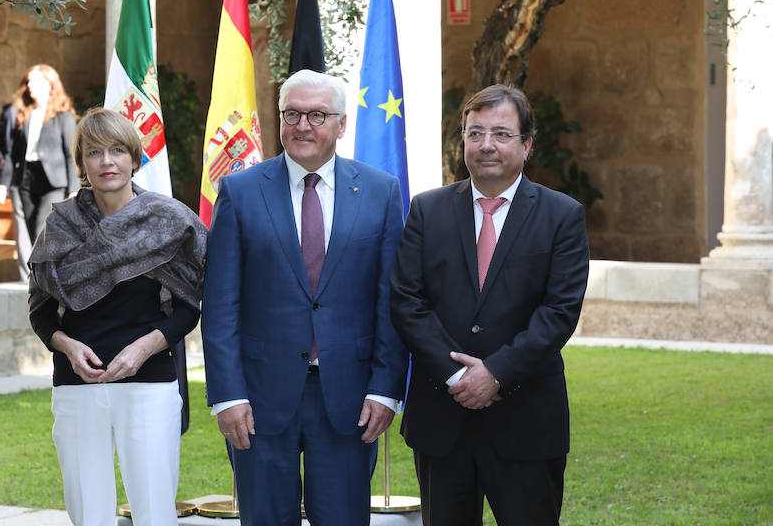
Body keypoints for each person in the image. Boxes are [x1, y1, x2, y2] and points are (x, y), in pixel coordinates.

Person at [201, 69, 408, 525]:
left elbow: (390, 302)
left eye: (317, 114)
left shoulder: (381, 192)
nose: (302, 126)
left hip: (351, 399)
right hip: (258, 399)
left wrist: (385, 389)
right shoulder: (239, 191)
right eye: (292, 114)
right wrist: (228, 396)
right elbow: (220, 305)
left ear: (342, 124)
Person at [390, 85, 590, 526]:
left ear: (527, 144)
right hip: (442, 420)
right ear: (462, 141)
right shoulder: (427, 210)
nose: (486, 145)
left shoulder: (562, 216)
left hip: (526, 421)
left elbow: (559, 312)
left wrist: (497, 373)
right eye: (475, 132)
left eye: (501, 133)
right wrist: (458, 374)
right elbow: (407, 300)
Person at [28, 108, 207, 526]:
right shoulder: (60, 226)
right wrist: (67, 347)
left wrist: (144, 348)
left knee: (154, 513)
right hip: (77, 386)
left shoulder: (169, 220)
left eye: (116, 150)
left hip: (148, 384)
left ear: (134, 158)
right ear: (82, 165)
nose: (107, 161)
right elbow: (40, 312)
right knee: (88, 514)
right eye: (94, 152)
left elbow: (189, 307)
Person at [0, 64, 79, 280]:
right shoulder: (23, 114)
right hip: (26, 179)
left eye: (36, 81)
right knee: (30, 231)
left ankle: (49, 279)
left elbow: (72, 154)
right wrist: (3, 183)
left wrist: (74, 188)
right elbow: (12, 154)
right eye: (28, 81)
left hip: (53, 182)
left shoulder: (63, 116)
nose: (30, 86)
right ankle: (30, 281)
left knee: (44, 228)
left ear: (50, 85)